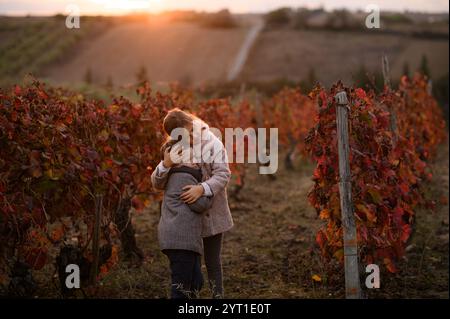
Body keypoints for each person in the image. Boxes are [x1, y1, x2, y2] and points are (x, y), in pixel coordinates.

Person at [151, 108, 233, 298]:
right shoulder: (173, 148)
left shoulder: (212, 142)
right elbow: (157, 183)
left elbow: (223, 174)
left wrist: (202, 188)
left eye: (187, 131)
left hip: (210, 212)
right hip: (186, 221)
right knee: (190, 266)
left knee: (212, 261)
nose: (186, 136)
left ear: (192, 123)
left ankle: (217, 298)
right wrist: (165, 165)